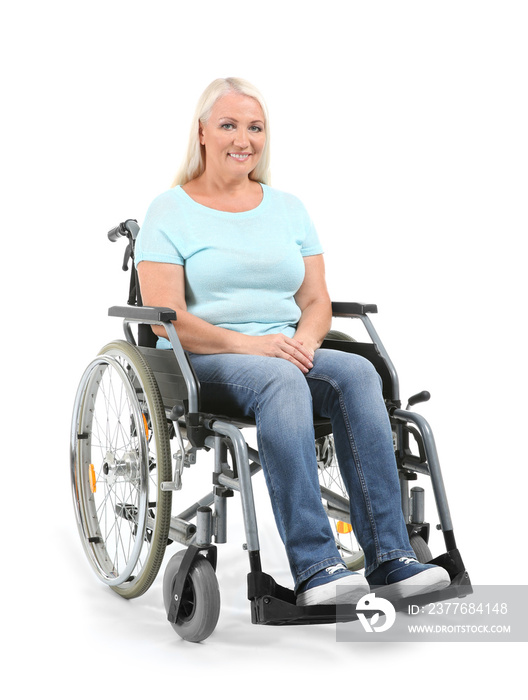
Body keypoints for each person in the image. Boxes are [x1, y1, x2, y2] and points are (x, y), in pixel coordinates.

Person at [135, 77, 450, 606]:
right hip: (201, 360)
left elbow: (316, 301)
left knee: (357, 373)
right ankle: (316, 567)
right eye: (229, 125)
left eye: (255, 127)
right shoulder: (171, 211)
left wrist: (305, 340)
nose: (244, 139)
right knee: (282, 379)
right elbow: (169, 318)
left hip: (281, 351)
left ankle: (392, 557)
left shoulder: (288, 208)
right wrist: (249, 346)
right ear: (203, 134)